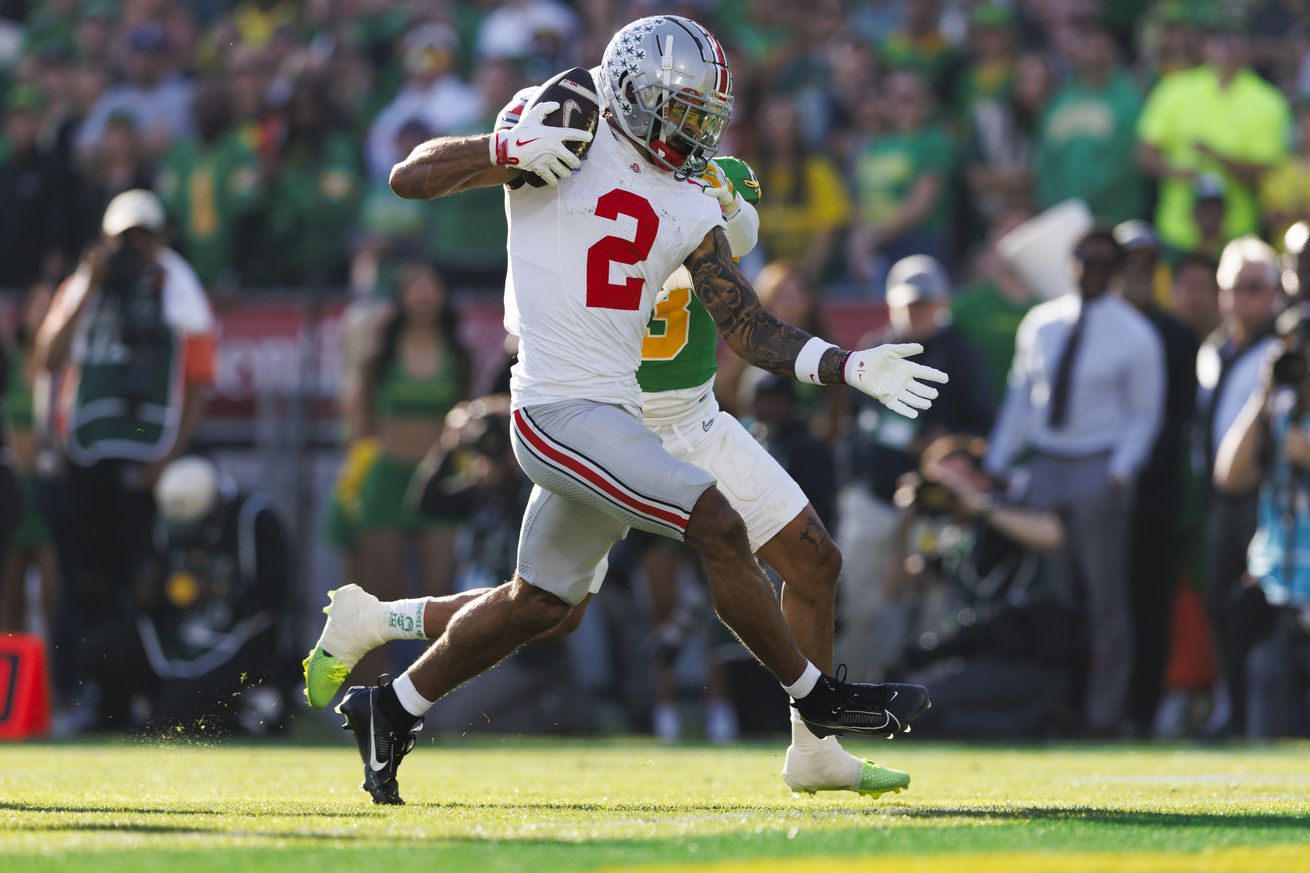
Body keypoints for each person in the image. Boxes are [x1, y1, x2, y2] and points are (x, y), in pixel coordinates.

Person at [306, 16, 945, 805]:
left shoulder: (687, 194)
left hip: (626, 414)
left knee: (540, 603)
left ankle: (390, 706)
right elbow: (409, 176)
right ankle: (819, 698)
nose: (696, 129)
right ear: (636, 93)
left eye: (706, 113)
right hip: (557, 409)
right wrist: (498, 152)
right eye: (682, 109)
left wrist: (847, 364)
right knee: (715, 521)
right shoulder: (565, 125)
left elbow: (749, 325)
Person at [34, 189, 216, 714]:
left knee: (144, 578)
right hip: (86, 460)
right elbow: (47, 357)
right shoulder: (83, 283)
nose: (134, 248)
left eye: (144, 236)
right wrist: (89, 283)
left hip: (149, 462)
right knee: (82, 581)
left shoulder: (179, 285)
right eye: (124, 238)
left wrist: (169, 458)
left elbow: (200, 382)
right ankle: (79, 693)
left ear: (162, 237)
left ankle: (142, 694)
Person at [986, 228, 1165, 736]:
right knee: (1051, 595)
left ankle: (1105, 714)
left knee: (1106, 599)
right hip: (1047, 464)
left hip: (1096, 462)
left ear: (1117, 269)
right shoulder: (1042, 323)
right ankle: (1054, 705)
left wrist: (1122, 469)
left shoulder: (1134, 333)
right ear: (1071, 263)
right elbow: (1022, 399)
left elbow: (1143, 415)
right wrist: (997, 462)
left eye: (1105, 262)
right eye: (1085, 260)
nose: (1093, 270)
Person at [839, 255, 993, 679]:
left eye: (924, 303)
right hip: (874, 497)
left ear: (942, 301)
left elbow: (983, 428)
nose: (916, 311)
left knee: (934, 612)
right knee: (860, 608)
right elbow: (850, 424)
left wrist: (946, 448)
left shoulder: (962, 354)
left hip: (936, 504)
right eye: (908, 303)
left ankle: (929, 707)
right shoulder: (872, 349)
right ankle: (849, 699)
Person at [80, 456, 291, 733]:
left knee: (175, 713)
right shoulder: (163, 521)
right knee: (98, 651)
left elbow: (274, 594)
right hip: (176, 633)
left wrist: (214, 588)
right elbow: (147, 579)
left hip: (233, 637)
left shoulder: (253, 519)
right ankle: (114, 713)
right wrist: (148, 591)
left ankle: (250, 706)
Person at [888, 435, 1074, 738]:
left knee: (918, 709)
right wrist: (904, 522)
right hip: (974, 664)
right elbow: (895, 589)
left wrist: (980, 505)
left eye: (957, 479)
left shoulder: (1001, 517)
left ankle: (1040, 717)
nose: (950, 491)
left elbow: (1051, 534)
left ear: (982, 478)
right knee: (917, 711)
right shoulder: (952, 539)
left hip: (1020, 661)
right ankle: (1032, 720)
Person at [346, 263, 469, 681]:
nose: (422, 295)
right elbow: (361, 422)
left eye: (430, 286)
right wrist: (356, 475)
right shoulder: (380, 355)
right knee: (379, 597)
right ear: (400, 297)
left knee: (441, 595)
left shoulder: (459, 354)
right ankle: (367, 695)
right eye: (413, 285)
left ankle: (426, 698)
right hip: (386, 481)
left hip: (439, 481)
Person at [1114, 220, 1200, 734]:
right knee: (1102, 603)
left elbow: (1178, 420)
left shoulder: (1177, 336)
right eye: (1131, 262)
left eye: (1148, 263)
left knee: (1148, 602)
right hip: (1103, 486)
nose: (1139, 272)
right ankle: (1095, 707)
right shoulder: (1091, 326)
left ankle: (1140, 711)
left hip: (1155, 491)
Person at [1194, 237, 1282, 736]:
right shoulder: (1214, 349)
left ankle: (1260, 717)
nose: (1242, 298)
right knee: (1219, 606)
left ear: (1273, 291)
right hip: (1218, 499)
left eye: (1254, 287)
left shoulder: (1282, 348)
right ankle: (1234, 709)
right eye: (1232, 287)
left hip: (1263, 495)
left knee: (1258, 611)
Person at [1214, 307, 1310, 737]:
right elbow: (1229, 475)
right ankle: (1234, 721)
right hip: (1276, 582)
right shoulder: (1278, 413)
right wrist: (1260, 396)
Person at [1136, 17, 1291, 254]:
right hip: (1177, 230)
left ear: (1248, 48)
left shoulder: (1269, 102)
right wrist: (1175, 171)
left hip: (1237, 233)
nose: (1227, 50)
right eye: (1220, 41)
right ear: (1205, 46)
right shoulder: (1174, 89)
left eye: (1236, 42)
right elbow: (1145, 152)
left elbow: (1267, 170)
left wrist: (1217, 157)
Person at [1034, 13, 1144, 226]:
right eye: (1086, 47)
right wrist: (1052, 205)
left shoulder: (1129, 99)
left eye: (1099, 47)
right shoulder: (1057, 101)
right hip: (1061, 217)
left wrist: (1085, 204)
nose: (1093, 55)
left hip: (1113, 217)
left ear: (1112, 51)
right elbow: (1046, 162)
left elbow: (1126, 161)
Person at [0, 284, 59, 635]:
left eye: (49, 308)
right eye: (35, 307)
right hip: (13, 492)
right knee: (9, 597)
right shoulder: (9, 363)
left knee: (54, 594)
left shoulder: (65, 366)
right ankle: (8, 684)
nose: (41, 315)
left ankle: (54, 685)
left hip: (49, 490)